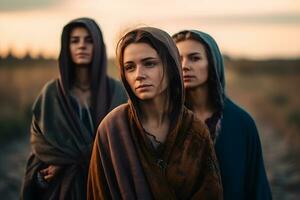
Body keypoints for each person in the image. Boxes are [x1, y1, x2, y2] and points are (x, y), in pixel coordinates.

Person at [87, 27, 223, 200]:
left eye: (149, 63)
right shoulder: (112, 129)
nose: (138, 75)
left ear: (171, 66)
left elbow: (210, 192)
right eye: (129, 67)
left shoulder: (194, 130)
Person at [20, 17, 127, 200]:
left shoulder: (117, 91)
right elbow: (41, 146)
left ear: (98, 47)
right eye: (74, 40)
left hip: (107, 186)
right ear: (66, 47)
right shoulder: (51, 94)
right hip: (63, 189)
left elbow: (125, 143)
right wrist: (42, 176)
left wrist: (78, 159)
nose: (82, 46)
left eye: (89, 40)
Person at [172, 30, 272, 200]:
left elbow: (257, 186)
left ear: (212, 62)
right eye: (178, 59)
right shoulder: (168, 121)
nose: (185, 65)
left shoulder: (241, 122)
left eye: (194, 58)